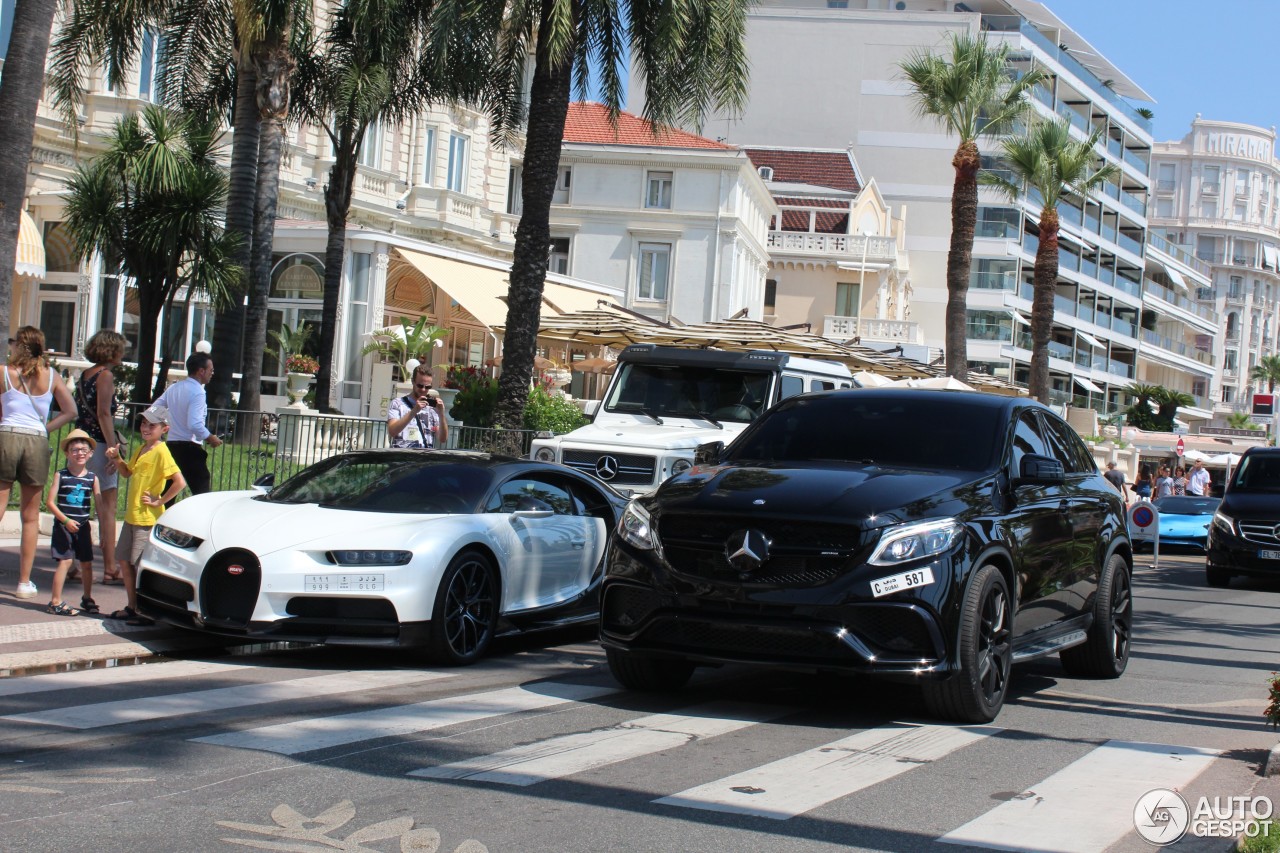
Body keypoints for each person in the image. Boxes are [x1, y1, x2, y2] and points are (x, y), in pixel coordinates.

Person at [0, 326, 78, 599]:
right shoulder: (52, 375)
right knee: (30, 516)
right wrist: (46, 427)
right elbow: (71, 410)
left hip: (7, 436)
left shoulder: (3, 373)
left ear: (19, 346)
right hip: (36, 440)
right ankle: (23, 582)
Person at [104, 404, 185, 624]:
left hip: (147, 519)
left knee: (140, 566)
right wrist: (116, 458)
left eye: (152, 425)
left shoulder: (161, 451)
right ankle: (133, 606)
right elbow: (127, 472)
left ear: (164, 429)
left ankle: (145, 611)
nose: (145, 428)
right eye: (143, 423)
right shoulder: (142, 449)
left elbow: (179, 482)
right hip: (132, 516)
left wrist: (160, 501)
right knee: (124, 560)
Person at [75, 329, 127, 585]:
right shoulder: (105, 376)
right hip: (99, 445)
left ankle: (72, 562)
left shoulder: (85, 375)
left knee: (79, 504)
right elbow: (104, 413)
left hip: (80, 443)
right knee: (107, 507)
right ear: (112, 350)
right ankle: (109, 566)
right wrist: (113, 448)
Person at [44, 429, 101, 616]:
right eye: (75, 450)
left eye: (84, 449)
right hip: (64, 525)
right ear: (67, 453)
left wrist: (99, 529)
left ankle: (87, 597)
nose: (80, 453)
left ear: (90, 453)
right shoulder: (61, 475)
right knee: (65, 561)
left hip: (83, 525)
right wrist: (66, 520)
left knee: (86, 562)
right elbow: (50, 502)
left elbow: (99, 506)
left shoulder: (92, 478)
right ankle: (55, 601)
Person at [153, 351, 222, 495]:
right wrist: (210, 437)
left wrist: (164, 426)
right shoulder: (198, 392)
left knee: (167, 493)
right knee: (201, 493)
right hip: (190, 449)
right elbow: (194, 424)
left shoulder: (174, 387)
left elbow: (154, 410)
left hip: (171, 446)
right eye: (211, 370)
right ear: (201, 371)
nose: (212, 373)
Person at [387, 365, 448, 449]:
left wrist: (441, 414)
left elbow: (442, 439)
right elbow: (392, 431)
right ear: (413, 382)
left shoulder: (432, 408)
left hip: (423, 459)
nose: (423, 389)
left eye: (427, 387)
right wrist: (414, 411)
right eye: (420, 385)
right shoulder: (398, 403)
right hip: (401, 458)